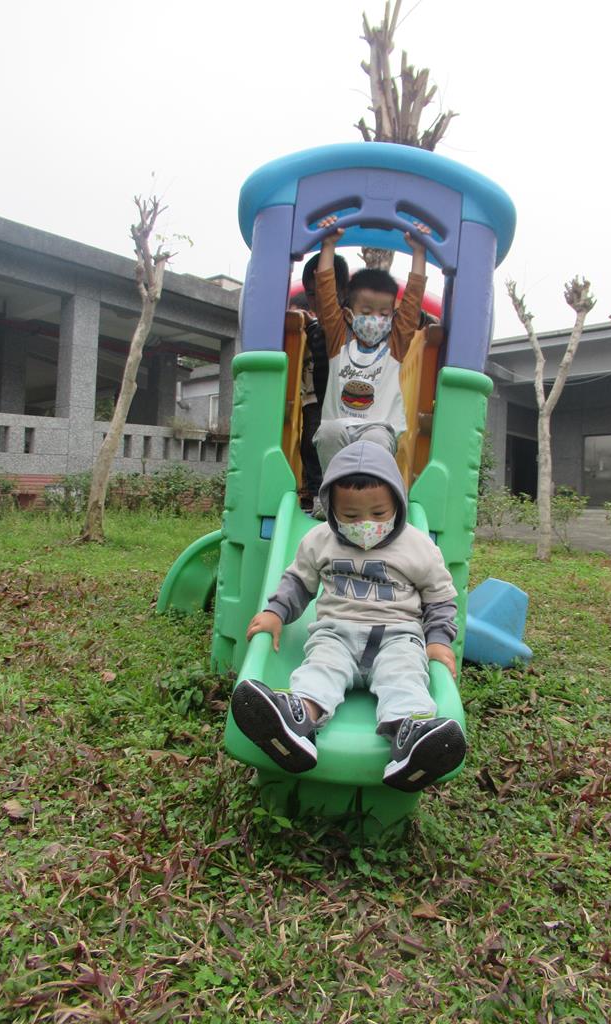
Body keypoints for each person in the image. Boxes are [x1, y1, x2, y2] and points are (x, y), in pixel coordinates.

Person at [230, 440, 466, 793]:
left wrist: (438, 641)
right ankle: (297, 721)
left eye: (379, 513)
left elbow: (440, 599)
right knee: (319, 671)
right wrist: (276, 612)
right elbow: (298, 582)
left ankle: (411, 737)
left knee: (404, 678)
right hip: (335, 634)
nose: (366, 524)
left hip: (396, 636)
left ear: (397, 505)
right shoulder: (319, 541)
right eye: (351, 516)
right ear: (332, 509)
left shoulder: (418, 546)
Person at [311, 216, 430, 480]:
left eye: (383, 313)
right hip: (340, 428)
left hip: (378, 429)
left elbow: (412, 302)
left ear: (392, 315)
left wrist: (419, 252)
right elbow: (326, 295)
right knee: (328, 432)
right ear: (349, 313)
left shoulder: (394, 343)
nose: (375, 319)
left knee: (374, 440)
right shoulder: (339, 338)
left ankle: (373, 495)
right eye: (366, 312)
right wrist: (328, 245)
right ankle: (332, 493)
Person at [292, 254, 349, 510]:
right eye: (313, 294)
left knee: (336, 443)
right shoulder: (309, 325)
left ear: (344, 292)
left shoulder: (349, 323)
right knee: (310, 443)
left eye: (326, 292)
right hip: (313, 396)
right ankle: (316, 493)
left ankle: (337, 492)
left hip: (341, 399)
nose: (320, 300)